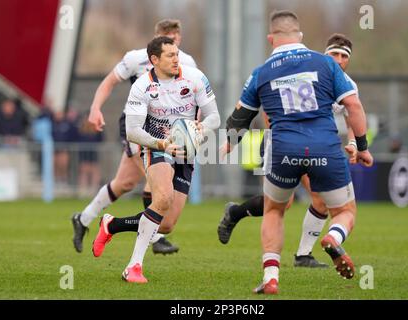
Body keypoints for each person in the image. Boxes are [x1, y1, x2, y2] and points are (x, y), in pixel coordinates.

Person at [222, 11, 373, 294]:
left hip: (283, 149)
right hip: (324, 147)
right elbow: (353, 106)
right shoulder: (326, 64)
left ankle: (270, 277)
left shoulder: (262, 71)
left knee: (275, 210)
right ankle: (332, 236)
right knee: (344, 211)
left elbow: (240, 117)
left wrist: (228, 143)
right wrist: (362, 147)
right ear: (300, 36)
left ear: (271, 39)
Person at [92, 36, 220, 283]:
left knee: (166, 224)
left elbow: (214, 117)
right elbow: (133, 131)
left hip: (186, 150)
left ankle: (112, 225)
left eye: (177, 53)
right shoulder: (141, 86)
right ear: (154, 60)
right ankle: (133, 267)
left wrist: (199, 130)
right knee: (162, 198)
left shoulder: (194, 77)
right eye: (170, 55)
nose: (177, 59)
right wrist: (162, 143)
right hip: (156, 146)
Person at [71, 19, 197, 254]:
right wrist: (95, 108)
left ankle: (83, 218)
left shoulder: (187, 62)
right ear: (156, 40)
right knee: (156, 180)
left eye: (176, 37)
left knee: (125, 183)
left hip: (167, 129)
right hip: (137, 125)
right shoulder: (135, 58)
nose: (173, 41)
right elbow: (109, 82)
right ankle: (155, 238)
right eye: (167, 36)